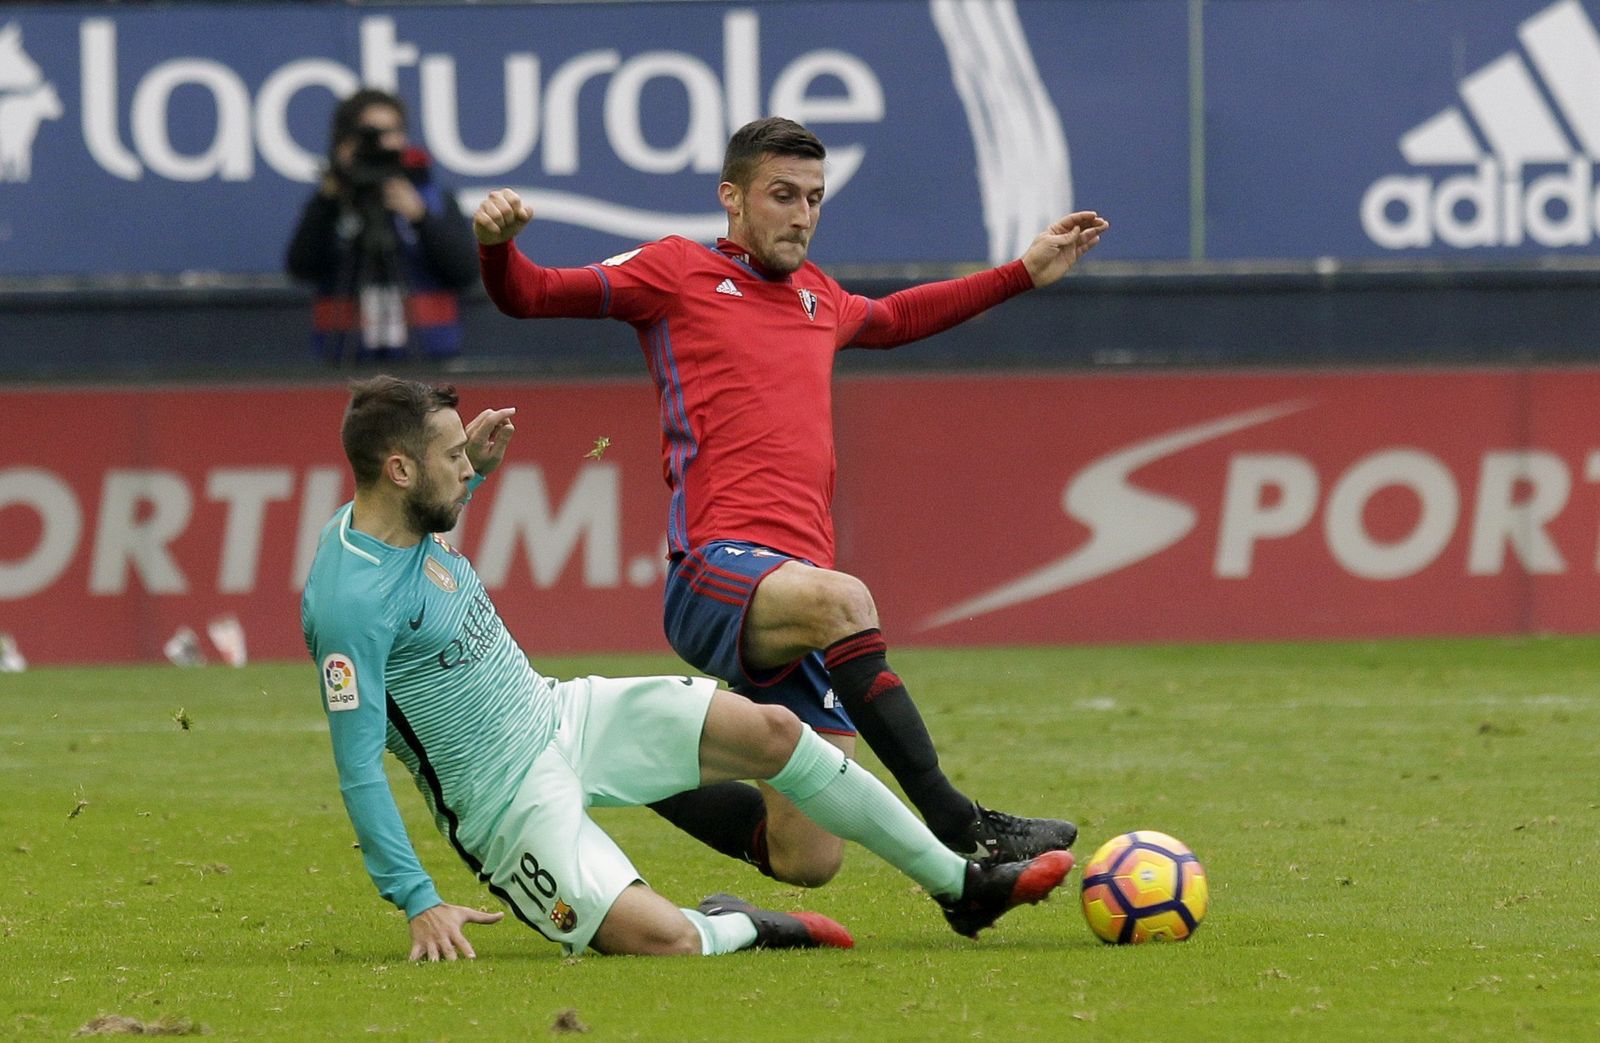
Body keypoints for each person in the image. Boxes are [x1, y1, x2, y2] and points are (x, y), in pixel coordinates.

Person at [472, 117, 1109, 886]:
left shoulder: (819, 297)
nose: (802, 214)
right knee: (847, 601)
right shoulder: (676, 272)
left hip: (791, 596)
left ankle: (616, 769)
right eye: (783, 195)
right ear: (732, 199)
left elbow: (902, 317)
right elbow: (531, 295)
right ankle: (959, 821)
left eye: (814, 198)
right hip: (715, 574)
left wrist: (1022, 271)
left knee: (806, 857)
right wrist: (498, 248)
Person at [300, 375, 1074, 961]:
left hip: (561, 712)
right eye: (453, 457)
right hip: (503, 803)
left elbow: (428, 523)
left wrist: (476, 465)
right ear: (400, 471)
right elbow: (358, 767)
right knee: (663, 940)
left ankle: (960, 886)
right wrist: (419, 901)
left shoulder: (400, 509)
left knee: (775, 729)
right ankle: (746, 922)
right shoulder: (347, 603)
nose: (468, 467)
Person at [285, 88, 478, 364]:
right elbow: (301, 266)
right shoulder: (331, 202)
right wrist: (329, 200)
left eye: (394, 131)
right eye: (373, 135)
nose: (385, 143)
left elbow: (465, 273)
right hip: (346, 362)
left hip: (426, 361)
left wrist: (420, 218)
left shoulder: (431, 198)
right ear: (347, 141)